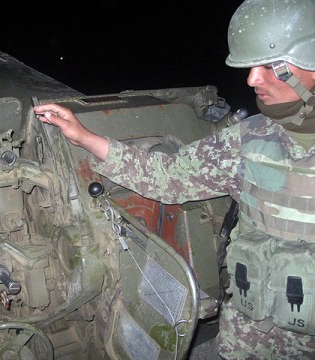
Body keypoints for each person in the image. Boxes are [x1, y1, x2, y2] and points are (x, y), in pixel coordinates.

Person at [34, 0, 315, 358]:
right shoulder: (249, 138)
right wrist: (85, 137)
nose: (252, 79)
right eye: (250, 66)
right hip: (252, 329)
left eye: (270, 66)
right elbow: (168, 176)